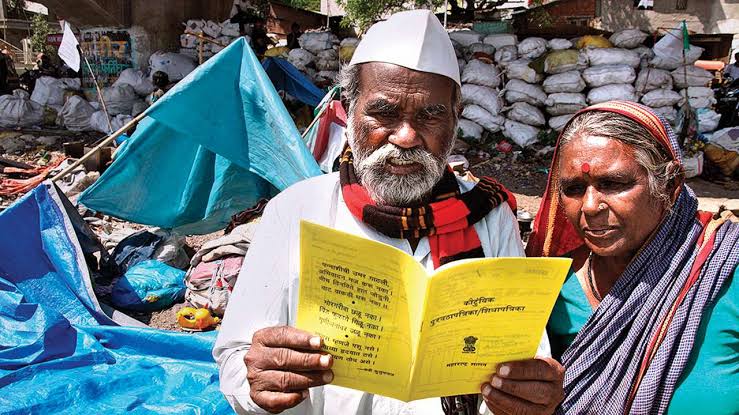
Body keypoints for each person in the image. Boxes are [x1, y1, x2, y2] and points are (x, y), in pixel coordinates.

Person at [214, 10, 564, 415]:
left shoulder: (489, 215)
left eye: (431, 115)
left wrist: (526, 391)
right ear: (349, 110)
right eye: (384, 113)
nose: (406, 137)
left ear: (455, 118)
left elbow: (522, 355)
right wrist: (257, 380)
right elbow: (237, 357)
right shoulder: (295, 210)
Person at [527, 101, 738, 414]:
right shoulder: (553, 289)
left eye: (612, 184)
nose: (589, 206)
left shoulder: (724, 267)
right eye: (573, 188)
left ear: (670, 185)